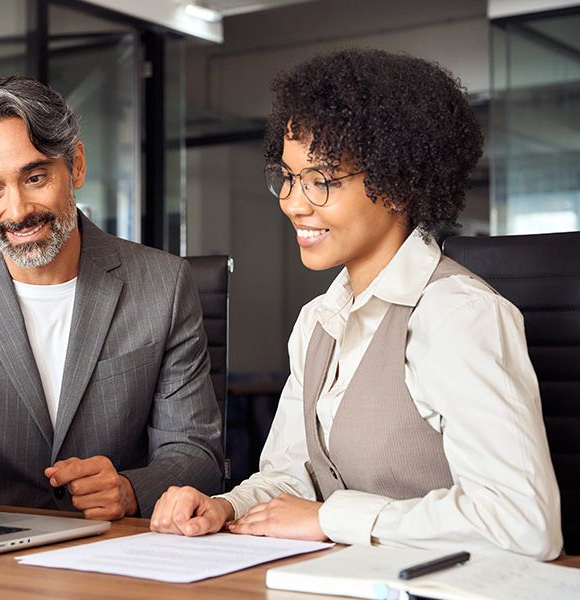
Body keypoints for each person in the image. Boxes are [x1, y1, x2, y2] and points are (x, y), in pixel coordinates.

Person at [150, 48, 562, 559]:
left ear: (397, 183)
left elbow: (524, 523)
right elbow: (291, 471)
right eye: (288, 177)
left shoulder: (458, 316)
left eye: (321, 181)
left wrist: (330, 517)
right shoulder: (318, 322)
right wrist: (227, 507)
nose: (295, 203)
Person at [0, 75, 222, 520]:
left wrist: (128, 490)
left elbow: (198, 454)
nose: (18, 209)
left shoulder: (163, 284)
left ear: (76, 166)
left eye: (36, 176)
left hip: (112, 548)